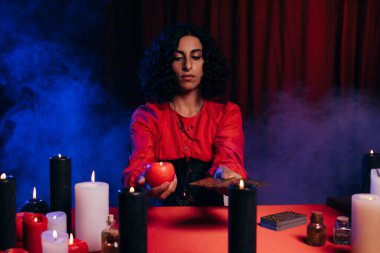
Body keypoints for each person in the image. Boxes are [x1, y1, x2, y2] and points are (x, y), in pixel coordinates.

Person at [122, 24, 247, 206]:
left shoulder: (227, 113)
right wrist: (143, 178)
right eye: (177, 58)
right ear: (165, 65)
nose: (188, 66)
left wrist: (226, 174)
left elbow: (229, 157)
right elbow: (140, 161)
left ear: (207, 63)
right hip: (160, 223)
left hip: (210, 224)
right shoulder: (147, 116)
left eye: (196, 57)